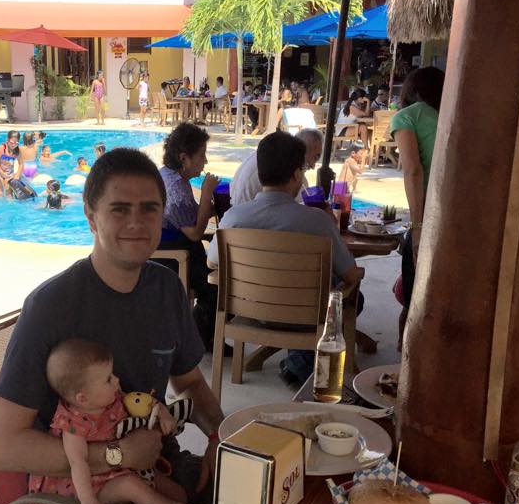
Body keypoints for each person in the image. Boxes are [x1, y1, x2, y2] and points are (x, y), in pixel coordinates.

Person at [0, 147, 253, 504]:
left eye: (150, 208)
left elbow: (190, 383)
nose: (137, 221)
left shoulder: (163, 288)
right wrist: (112, 451)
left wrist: (222, 438)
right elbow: (4, 447)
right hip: (74, 503)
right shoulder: (54, 306)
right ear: (90, 216)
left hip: (154, 471)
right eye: (119, 208)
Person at [207, 132, 364, 384]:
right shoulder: (317, 222)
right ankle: (301, 363)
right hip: (308, 318)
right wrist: (358, 275)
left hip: (252, 311)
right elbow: (349, 275)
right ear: (296, 175)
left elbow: (212, 263)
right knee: (354, 297)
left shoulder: (234, 218)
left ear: (260, 174)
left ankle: (298, 362)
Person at [36, 338, 203, 504]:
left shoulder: (113, 398)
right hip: (91, 483)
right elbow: (78, 463)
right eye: (108, 379)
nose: (117, 380)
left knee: (177, 492)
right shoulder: (73, 425)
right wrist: (88, 500)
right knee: (131, 486)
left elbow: (145, 403)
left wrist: (163, 414)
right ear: (83, 398)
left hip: (128, 465)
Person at [390, 66, 445, 349]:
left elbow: (412, 171)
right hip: (463, 211)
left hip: (435, 211)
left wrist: (418, 226)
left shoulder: (407, 117)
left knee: (417, 296)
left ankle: (411, 360)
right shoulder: (450, 115)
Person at [156, 123, 218, 351]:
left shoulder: (171, 177)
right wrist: (207, 194)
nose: (205, 161)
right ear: (184, 158)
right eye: (202, 155)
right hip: (170, 257)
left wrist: (213, 206)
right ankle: (199, 339)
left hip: (172, 247)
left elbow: (191, 216)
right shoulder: (176, 189)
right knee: (216, 286)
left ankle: (201, 335)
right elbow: (194, 233)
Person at [229, 128, 323, 207]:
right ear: (302, 149)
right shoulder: (280, 167)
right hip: (252, 222)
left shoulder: (270, 157)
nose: (313, 165)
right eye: (316, 157)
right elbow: (297, 206)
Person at [0, 130, 22, 198]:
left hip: (9, 175)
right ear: (7, 140)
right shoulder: (2, 148)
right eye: (12, 142)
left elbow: (21, 164)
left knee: (9, 196)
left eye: (16, 143)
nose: (14, 145)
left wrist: (17, 175)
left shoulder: (17, 151)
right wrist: (2, 173)